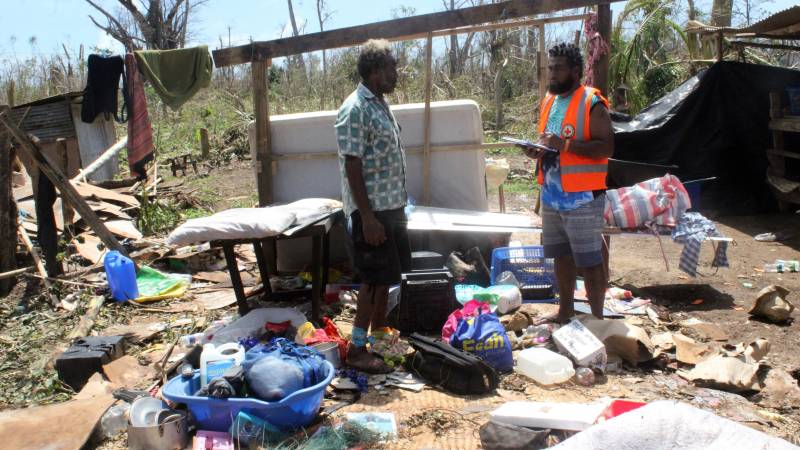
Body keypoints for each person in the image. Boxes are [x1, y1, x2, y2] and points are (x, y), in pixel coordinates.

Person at [519, 42, 614, 323]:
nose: (552, 74)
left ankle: (597, 321)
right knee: (561, 257)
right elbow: (550, 142)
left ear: (575, 70)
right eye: (550, 68)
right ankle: (565, 311)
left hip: (583, 198)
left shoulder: (592, 102)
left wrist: (565, 144)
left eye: (558, 68)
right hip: (552, 195)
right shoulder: (550, 100)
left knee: (590, 261)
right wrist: (537, 150)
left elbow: (606, 147)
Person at [335, 39, 410, 374]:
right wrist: (367, 218)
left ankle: (378, 336)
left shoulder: (379, 103)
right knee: (370, 281)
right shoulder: (355, 108)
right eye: (392, 68)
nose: (396, 74)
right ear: (377, 71)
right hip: (373, 212)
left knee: (385, 278)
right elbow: (353, 166)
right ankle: (356, 349)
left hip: (391, 208)